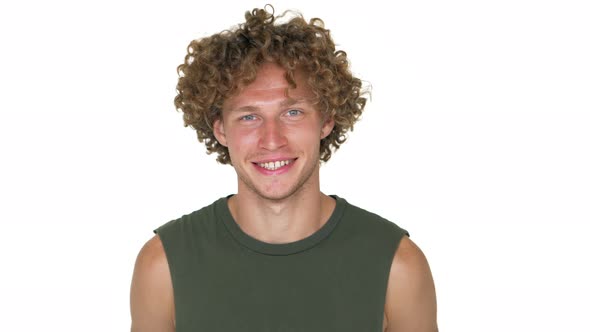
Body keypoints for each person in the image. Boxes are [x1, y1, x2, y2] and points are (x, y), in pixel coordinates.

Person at [130, 5, 437, 332]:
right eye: (249, 116)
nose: (272, 140)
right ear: (220, 130)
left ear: (326, 120)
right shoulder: (163, 265)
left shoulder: (397, 266)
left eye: (292, 113)